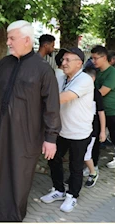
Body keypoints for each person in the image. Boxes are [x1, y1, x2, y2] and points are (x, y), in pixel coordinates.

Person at [0, 20, 61, 221]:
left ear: (26, 40)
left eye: (12, 38)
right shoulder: (4, 64)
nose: (8, 43)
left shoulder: (43, 69)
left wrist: (51, 138)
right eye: (8, 38)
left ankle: (10, 216)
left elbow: (51, 106)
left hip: (26, 136)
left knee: (17, 176)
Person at [39, 47, 95, 213]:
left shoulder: (84, 79)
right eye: (63, 59)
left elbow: (63, 98)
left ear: (79, 63)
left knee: (75, 166)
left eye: (67, 60)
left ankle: (72, 196)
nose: (63, 63)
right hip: (61, 130)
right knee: (53, 159)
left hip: (79, 133)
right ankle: (59, 190)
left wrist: (35, 102)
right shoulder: (61, 77)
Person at [89, 45, 115, 168]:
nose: (93, 61)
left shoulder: (113, 73)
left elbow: (101, 92)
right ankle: (93, 166)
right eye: (92, 58)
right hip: (99, 111)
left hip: (113, 111)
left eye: (95, 58)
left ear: (104, 58)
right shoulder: (98, 72)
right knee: (96, 140)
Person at [81, 63, 106, 188]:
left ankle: (93, 172)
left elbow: (101, 113)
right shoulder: (80, 92)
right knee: (79, 153)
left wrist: (102, 131)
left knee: (86, 154)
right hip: (80, 127)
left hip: (92, 129)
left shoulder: (96, 94)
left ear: (93, 79)